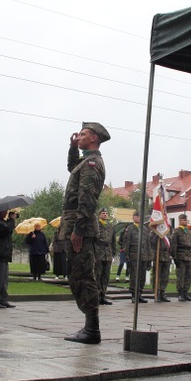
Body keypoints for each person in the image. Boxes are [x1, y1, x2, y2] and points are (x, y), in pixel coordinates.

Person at [59, 122, 110, 344]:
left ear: (94, 139)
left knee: (84, 277)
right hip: (77, 224)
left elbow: (87, 198)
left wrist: (78, 230)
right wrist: (72, 148)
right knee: (77, 274)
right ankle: (90, 327)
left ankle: (92, 329)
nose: (78, 136)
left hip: (82, 226)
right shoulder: (85, 162)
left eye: (83, 134)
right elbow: (72, 168)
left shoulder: (91, 163)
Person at [123, 211, 152, 303]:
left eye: (139, 216)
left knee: (142, 276)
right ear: (133, 218)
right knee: (134, 276)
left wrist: (149, 258)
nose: (138, 218)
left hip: (144, 256)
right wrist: (127, 257)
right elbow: (126, 244)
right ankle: (133, 295)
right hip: (134, 256)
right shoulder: (130, 229)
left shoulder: (145, 229)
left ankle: (140, 294)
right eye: (136, 216)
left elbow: (148, 244)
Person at [170, 214, 191, 302]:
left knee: (189, 275)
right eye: (183, 220)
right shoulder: (176, 231)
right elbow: (174, 245)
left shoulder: (190, 232)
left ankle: (185, 292)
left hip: (189, 255)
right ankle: (180, 293)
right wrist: (175, 257)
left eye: (186, 220)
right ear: (180, 221)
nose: (185, 221)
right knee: (181, 275)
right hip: (180, 255)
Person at [94, 208, 116, 305]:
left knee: (105, 276)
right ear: (99, 215)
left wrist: (113, 252)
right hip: (98, 253)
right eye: (103, 213)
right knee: (97, 275)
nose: (105, 215)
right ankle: (96, 296)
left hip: (108, 253)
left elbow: (113, 241)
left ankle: (103, 295)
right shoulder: (96, 226)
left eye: (106, 213)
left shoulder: (110, 226)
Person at [149, 231, 171, 302]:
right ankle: (157, 293)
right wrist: (157, 236)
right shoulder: (154, 232)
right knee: (157, 276)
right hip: (158, 256)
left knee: (165, 276)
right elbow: (151, 243)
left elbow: (170, 243)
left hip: (166, 256)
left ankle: (162, 292)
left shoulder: (167, 231)